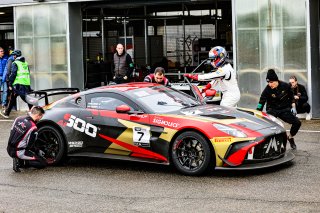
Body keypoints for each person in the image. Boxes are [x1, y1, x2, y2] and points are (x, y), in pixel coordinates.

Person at [256, 69, 301, 150]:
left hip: (284, 109)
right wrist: (257, 112)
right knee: (268, 126)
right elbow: (261, 102)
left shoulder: (286, 86)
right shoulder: (267, 90)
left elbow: (291, 97)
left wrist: (293, 107)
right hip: (272, 110)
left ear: (276, 80)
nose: (270, 84)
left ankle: (290, 138)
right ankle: (269, 145)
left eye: (271, 82)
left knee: (297, 123)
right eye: (268, 82)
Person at [7, 106, 46, 172]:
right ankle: (21, 162)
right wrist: (37, 151)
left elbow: (11, 132)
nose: (40, 119)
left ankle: (18, 158)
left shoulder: (18, 119)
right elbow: (29, 146)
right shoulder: (33, 128)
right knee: (42, 163)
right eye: (41, 117)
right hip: (18, 152)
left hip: (9, 148)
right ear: (38, 116)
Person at [0, 52, 33, 119]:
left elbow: (13, 74)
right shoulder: (25, 63)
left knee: (27, 99)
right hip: (26, 84)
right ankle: (7, 113)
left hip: (19, 85)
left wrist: (9, 83)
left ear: (15, 56)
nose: (13, 57)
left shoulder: (15, 63)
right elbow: (28, 73)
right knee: (13, 98)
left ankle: (34, 112)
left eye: (13, 55)